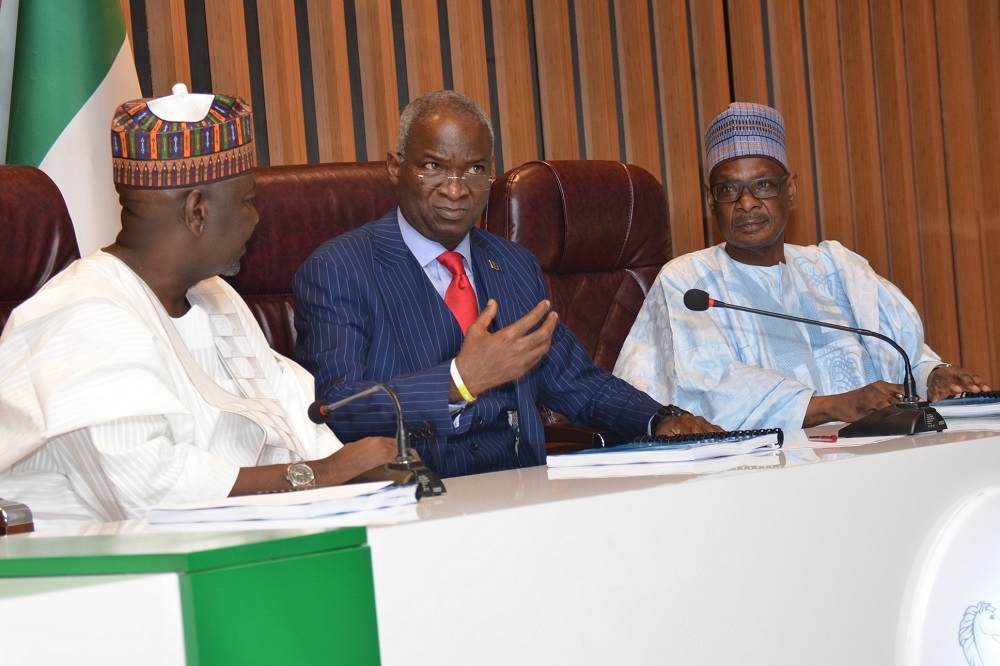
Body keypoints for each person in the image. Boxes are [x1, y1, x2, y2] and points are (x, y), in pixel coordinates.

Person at [0, 85, 397, 530]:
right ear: (197, 211)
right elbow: (146, 494)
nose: (256, 217)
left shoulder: (214, 295)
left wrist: (365, 471)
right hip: (87, 578)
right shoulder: (82, 314)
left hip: (234, 545)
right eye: (248, 201)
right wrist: (320, 475)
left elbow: (291, 414)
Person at [294, 90, 720, 478]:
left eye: (475, 169)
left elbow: (575, 379)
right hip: (418, 499)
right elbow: (337, 409)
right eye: (434, 167)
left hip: (525, 493)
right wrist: (460, 380)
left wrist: (659, 419)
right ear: (395, 167)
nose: (457, 190)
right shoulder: (339, 268)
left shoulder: (514, 264)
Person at [614, 102, 990, 432]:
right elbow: (708, 393)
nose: (745, 203)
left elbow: (905, 354)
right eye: (728, 190)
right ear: (710, 201)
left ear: (789, 189)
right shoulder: (688, 284)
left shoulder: (835, 269)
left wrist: (933, 376)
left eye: (762, 185)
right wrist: (833, 405)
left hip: (872, 454)